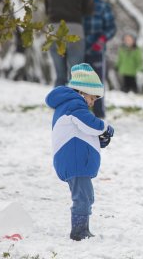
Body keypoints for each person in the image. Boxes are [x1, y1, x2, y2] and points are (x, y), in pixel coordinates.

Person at [45, 63, 115, 241]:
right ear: (83, 92)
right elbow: (90, 123)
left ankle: (83, 228)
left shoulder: (70, 106)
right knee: (82, 197)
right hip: (75, 162)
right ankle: (78, 231)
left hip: (75, 160)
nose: (92, 103)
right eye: (92, 98)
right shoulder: (74, 105)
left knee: (86, 196)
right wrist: (105, 128)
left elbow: (82, 133)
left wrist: (99, 140)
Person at [45, 0, 92, 87]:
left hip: (54, 30)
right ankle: (75, 106)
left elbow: (47, 7)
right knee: (76, 74)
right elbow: (88, 9)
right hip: (74, 29)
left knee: (60, 75)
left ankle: (59, 106)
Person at [82, 0, 116, 118]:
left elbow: (111, 28)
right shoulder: (77, 6)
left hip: (96, 50)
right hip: (80, 50)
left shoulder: (102, 6)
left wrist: (101, 40)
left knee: (96, 83)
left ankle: (99, 115)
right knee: (80, 83)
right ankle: (82, 113)